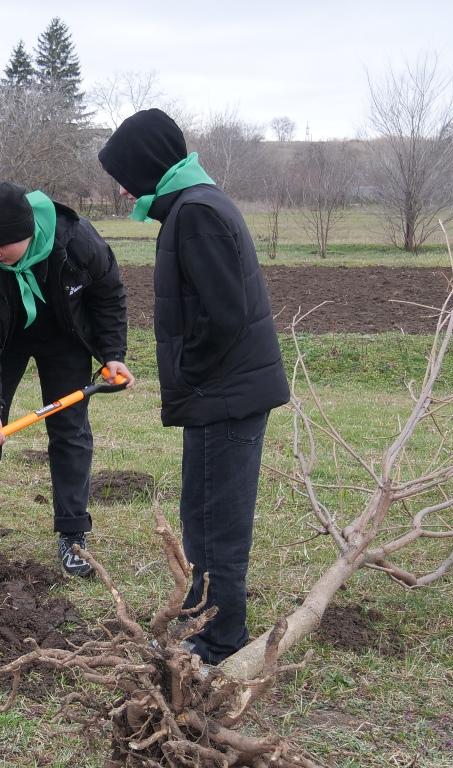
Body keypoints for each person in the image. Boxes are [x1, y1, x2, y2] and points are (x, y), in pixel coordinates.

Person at [98, 108, 290, 664]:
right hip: (223, 392)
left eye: (123, 172)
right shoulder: (193, 205)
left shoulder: (196, 213)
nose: (119, 185)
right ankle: (208, 624)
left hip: (222, 396)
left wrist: (188, 368)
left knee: (214, 523)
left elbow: (224, 316)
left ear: (146, 166)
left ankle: (219, 639)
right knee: (206, 515)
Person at [0, 181, 134, 577]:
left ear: (29, 232)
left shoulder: (77, 242)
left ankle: (72, 534)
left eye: (2, 245)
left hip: (65, 334)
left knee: (69, 427)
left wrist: (112, 355)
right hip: (6, 336)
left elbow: (108, 294)